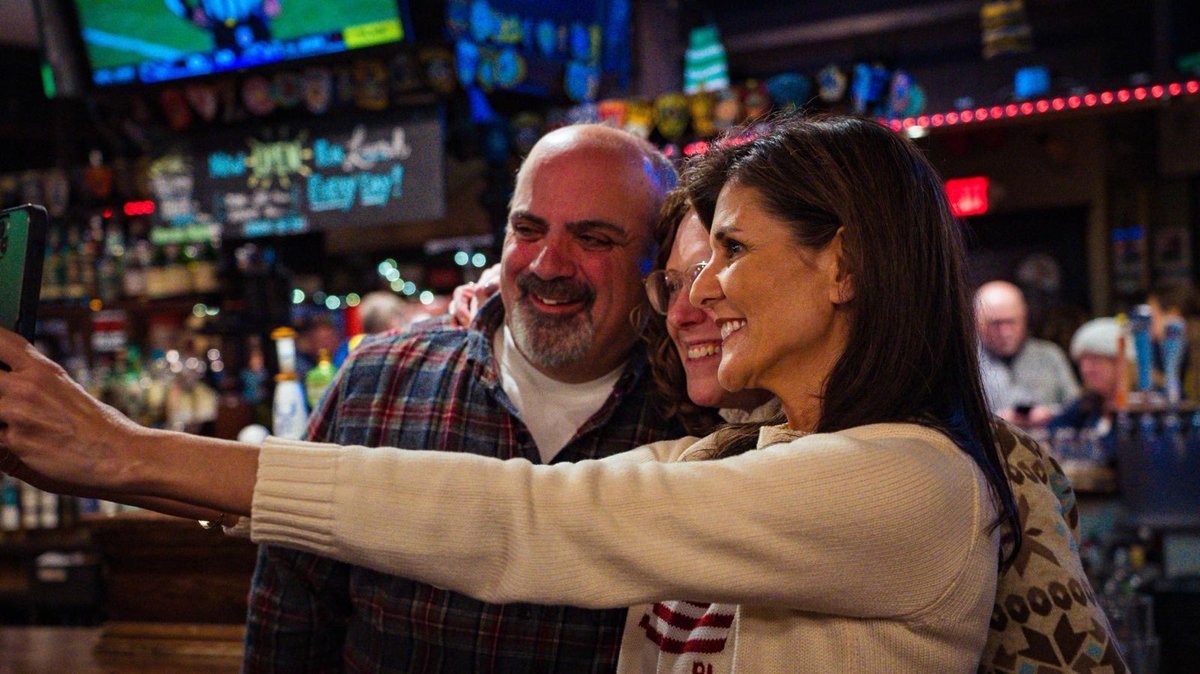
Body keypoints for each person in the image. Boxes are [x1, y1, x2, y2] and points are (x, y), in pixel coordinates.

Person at [0, 115, 1128, 672]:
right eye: (685, 273)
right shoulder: (739, 446)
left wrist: (119, 450)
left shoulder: (902, 480)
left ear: (843, 267)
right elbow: (508, 505)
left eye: (723, 256)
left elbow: (530, 518)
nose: (701, 295)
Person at [975, 280, 1080, 427]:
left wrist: (1049, 414)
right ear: (977, 322)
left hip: (1045, 444)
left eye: (1011, 322)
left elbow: (1076, 408)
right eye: (996, 323)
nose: (1005, 332)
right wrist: (995, 421)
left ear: (1024, 318)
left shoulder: (1050, 356)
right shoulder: (966, 363)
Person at [1048, 317, 1134, 437]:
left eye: (1095, 360)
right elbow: (1054, 429)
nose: (1086, 369)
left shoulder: (1145, 407)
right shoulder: (1086, 404)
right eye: (1082, 361)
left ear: (1120, 363)